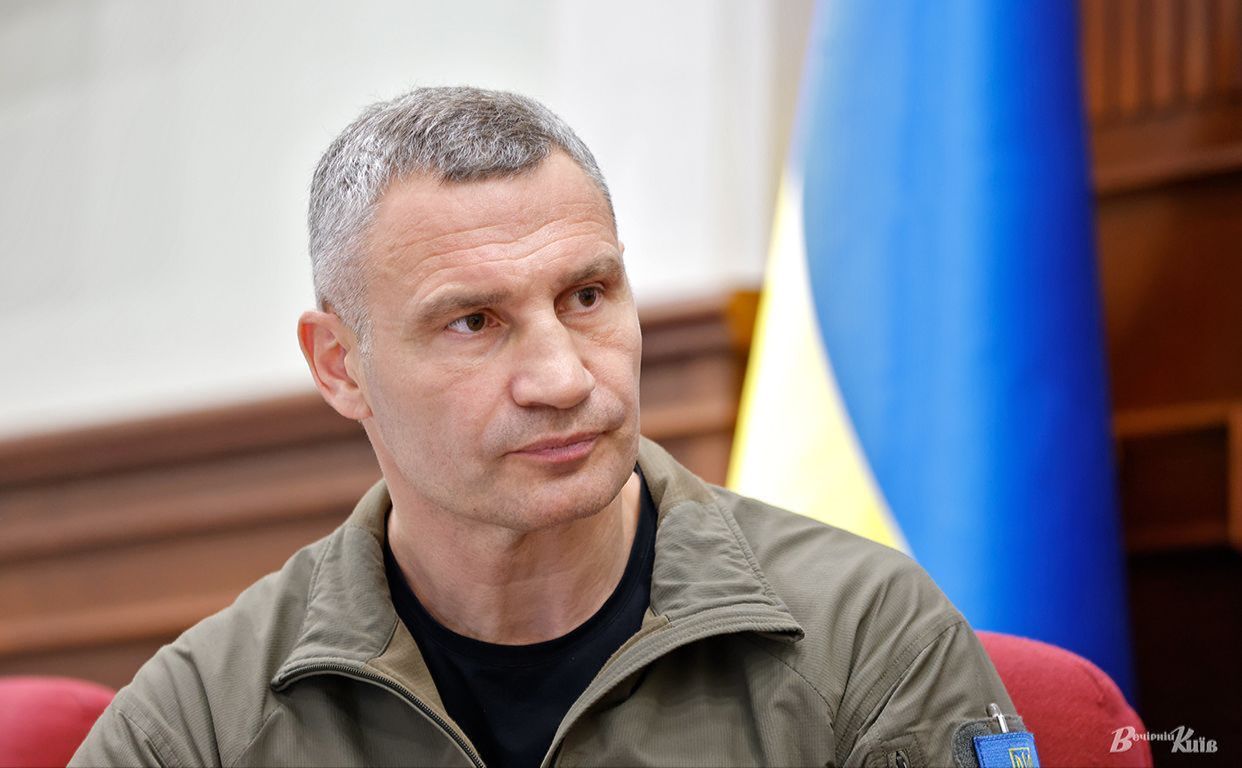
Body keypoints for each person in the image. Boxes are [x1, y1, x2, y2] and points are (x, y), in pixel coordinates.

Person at [72, 87, 1023, 768]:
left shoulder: (865, 636)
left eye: (587, 295)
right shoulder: (199, 722)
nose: (564, 378)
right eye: (473, 322)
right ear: (340, 365)